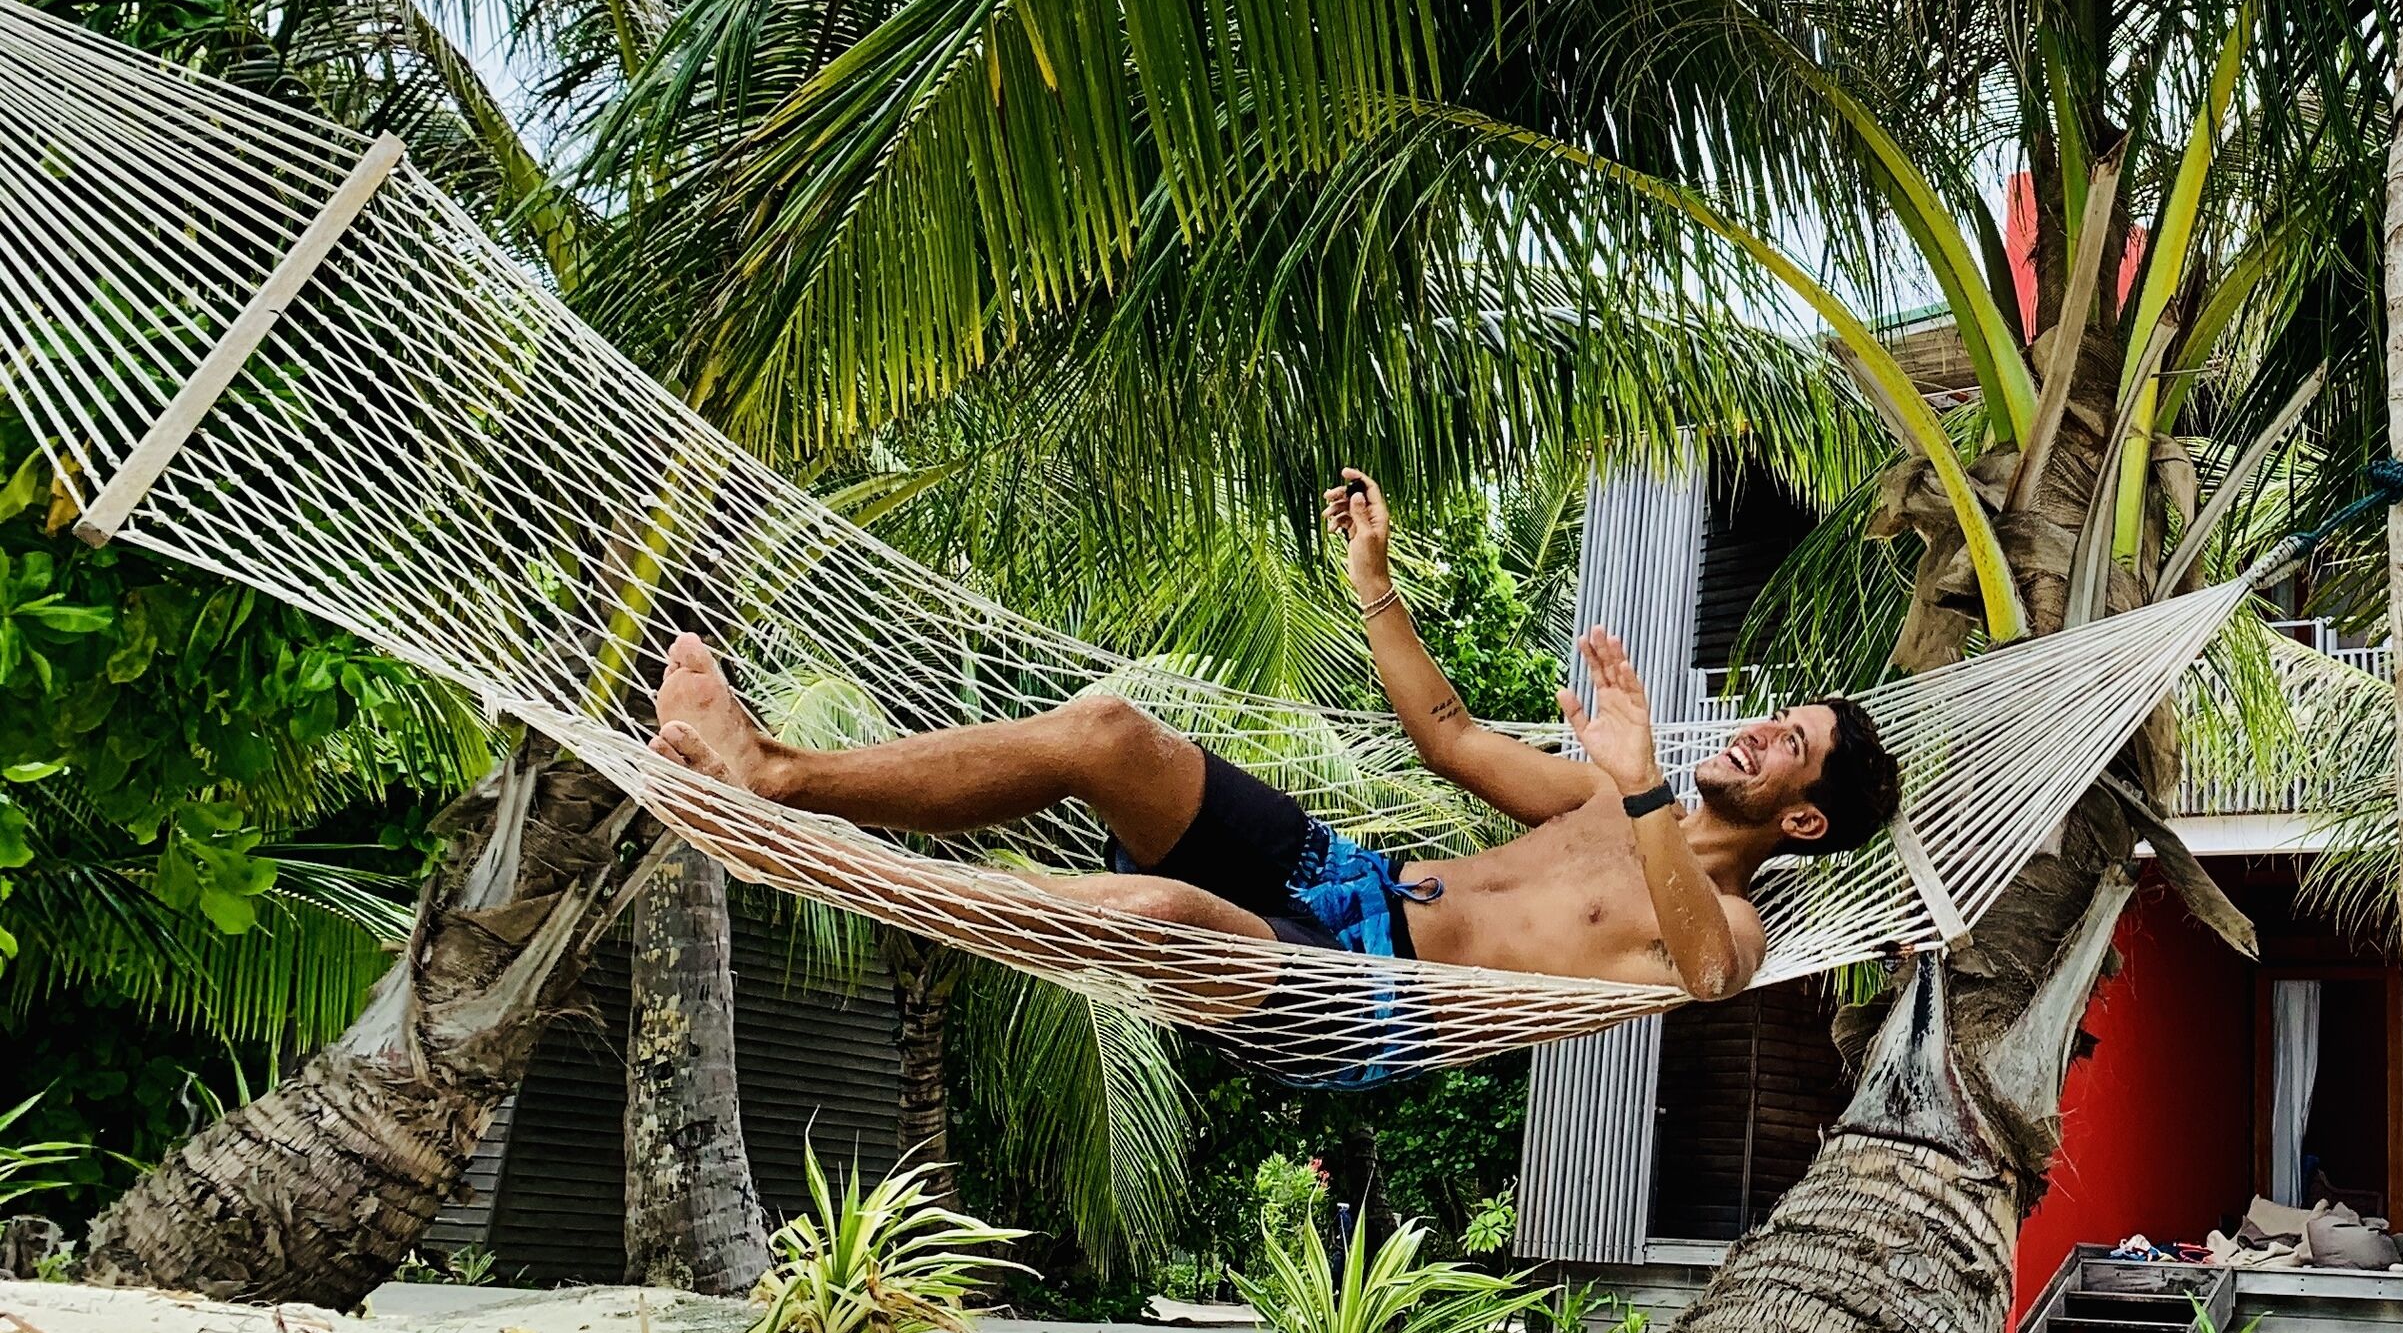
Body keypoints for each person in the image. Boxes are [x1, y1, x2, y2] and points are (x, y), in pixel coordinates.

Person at [647, 469, 1900, 1000]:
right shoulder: (1591, 798)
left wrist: (1638, 795)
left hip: (1372, 997)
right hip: (1337, 879)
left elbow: (1703, 976)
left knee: (1146, 920)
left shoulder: (1730, 922)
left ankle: (784, 854)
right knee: (1110, 731)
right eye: (1772, 718)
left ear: (1801, 818)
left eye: (1788, 744)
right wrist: (1374, 581)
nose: (1753, 733)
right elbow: (1450, 737)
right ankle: (772, 776)